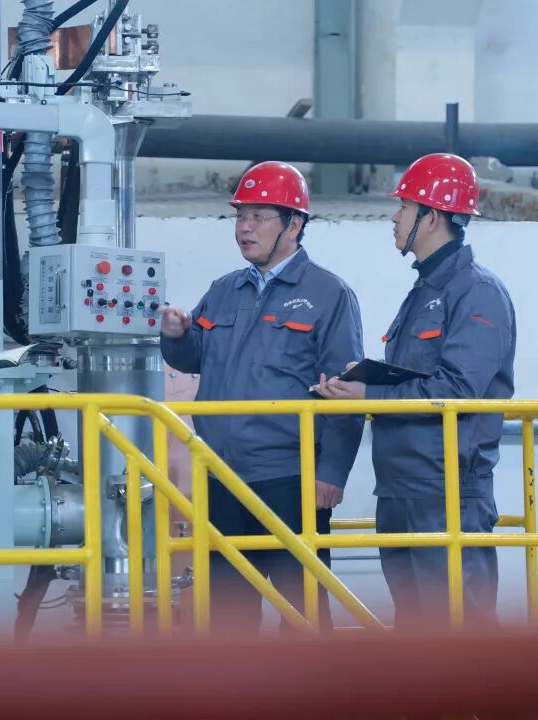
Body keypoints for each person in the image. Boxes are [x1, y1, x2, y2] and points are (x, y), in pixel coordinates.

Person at [160, 161, 365, 633]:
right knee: (227, 622)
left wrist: (333, 472)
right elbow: (194, 358)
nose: (244, 228)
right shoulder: (224, 290)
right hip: (221, 478)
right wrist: (177, 336)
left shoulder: (328, 294)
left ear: (293, 225)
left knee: (303, 616)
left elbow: (345, 390)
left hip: (289, 480)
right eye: (240, 216)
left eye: (258, 216)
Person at [314, 153, 516, 629]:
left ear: (432, 217)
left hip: (447, 491)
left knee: (460, 633)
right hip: (402, 487)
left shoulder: (478, 292)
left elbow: (458, 388)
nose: (394, 216)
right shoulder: (424, 292)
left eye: (404, 207)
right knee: (416, 635)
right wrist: (365, 380)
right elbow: (417, 378)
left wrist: (368, 398)